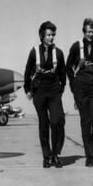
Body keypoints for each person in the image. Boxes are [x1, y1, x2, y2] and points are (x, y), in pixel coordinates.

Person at [24, 21, 66, 168]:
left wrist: (60, 91)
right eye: (48, 35)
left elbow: (63, 74)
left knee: (57, 121)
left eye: (53, 34)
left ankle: (56, 154)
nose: (51, 37)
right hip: (39, 91)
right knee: (44, 123)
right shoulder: (34, 51)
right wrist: (27, 90)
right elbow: (28, 70)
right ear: (42, 35)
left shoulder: (59, 53)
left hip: (54, 91)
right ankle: (46, 156)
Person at [66, 18, 93, 167]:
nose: (90, 34)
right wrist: (74, 86)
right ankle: (90, 155)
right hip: (80, 87)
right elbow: (68, 66)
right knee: (85, 121)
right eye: (88, 31)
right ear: (84, 30)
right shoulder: (77, 46)